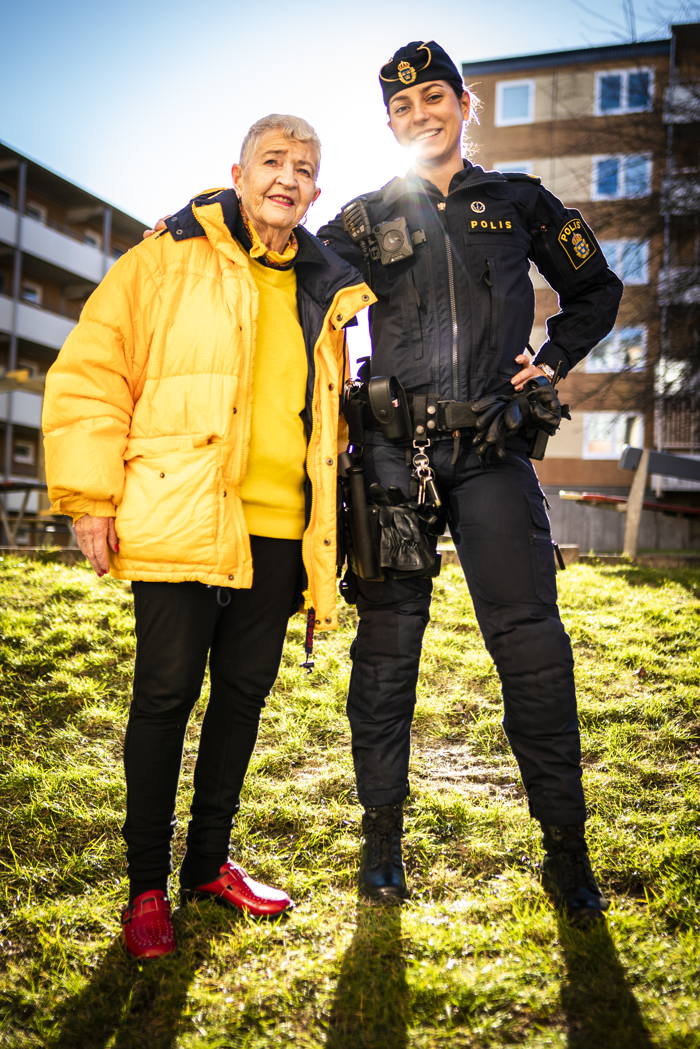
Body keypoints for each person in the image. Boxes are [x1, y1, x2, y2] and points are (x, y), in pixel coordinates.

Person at [42, 114, 374, 959]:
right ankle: (145, 884)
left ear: (316, 191)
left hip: (278, 533)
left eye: (305, 168)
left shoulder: (325, 288)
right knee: (163, 696)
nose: (287, 178)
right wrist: (89, 493)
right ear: (238, 170)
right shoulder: (164, 258)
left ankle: (206, 864)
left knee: (241, 698)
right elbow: (91, 369)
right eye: (273, 161)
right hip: (183, 513)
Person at [316, 41, 624, 919]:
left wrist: (551, 360)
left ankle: (566, 847)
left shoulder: (521, 202)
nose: (420, 115)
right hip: (390, 459)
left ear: (465, 103)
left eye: (434, 98)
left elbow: (597, 291)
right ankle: (382, 838)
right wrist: (208, 211)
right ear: (390, 124)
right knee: (386, 650)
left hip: (492, 446)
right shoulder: (366, 215)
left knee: (530, 641)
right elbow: (283, 261)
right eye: (402, 108)